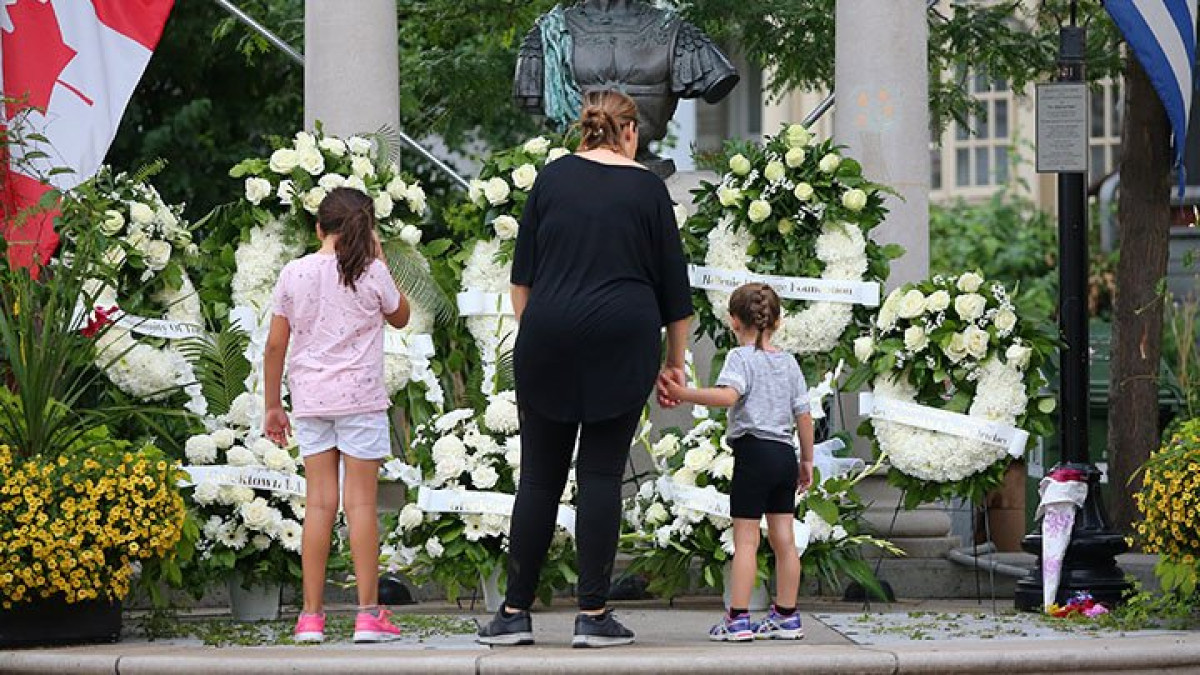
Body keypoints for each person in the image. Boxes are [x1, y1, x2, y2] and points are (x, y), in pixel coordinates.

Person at [476, 89, 693, 648]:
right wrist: (673, 367)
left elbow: (521, 280)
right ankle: (592, 614)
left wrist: (539, 337)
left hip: (548, 334)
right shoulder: (647, 187)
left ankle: (514, 613)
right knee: (599, 475)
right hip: (623, 337)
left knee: (540, 477)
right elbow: (676, 294)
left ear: (585, 129)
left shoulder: (550, 179)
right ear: (631, 134)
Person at [263, 187, 411, 644]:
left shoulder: (295, 272)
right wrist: (381, 261)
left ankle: (311, 617)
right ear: (367, 231)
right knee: (361, 504)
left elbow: (275, 345)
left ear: (319, 228)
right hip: (361, 401)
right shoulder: (372, 272)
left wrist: (273, 405)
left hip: (310, 401)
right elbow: (402, 317)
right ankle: (368, 614)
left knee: (320, 505)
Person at [664, 283, 815, 642]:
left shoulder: (740, 358)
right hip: (784, 454)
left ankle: (738, 619)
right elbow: (804, 414)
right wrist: (806, 460)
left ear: (733, 320)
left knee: (746, 540)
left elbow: (729, 395)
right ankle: (787, 616)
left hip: (754, 453)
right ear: (777, 321)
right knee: (784, 539)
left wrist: (684, 394)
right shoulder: (789, 362)